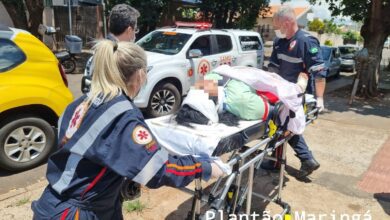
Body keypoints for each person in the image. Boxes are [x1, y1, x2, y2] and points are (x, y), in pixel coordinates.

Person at [31, 40, 224, 219]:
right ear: (140, 74)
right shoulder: (123, 115)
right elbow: (158, 170)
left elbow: (87, 156)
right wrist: (204, 167)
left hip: (55, 203)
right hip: (77, 213)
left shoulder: (80, 104)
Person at [267, 5, 325, 177]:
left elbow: (319, 73)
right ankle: (288, 160)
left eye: (277, 26)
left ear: (287, 22)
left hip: (298, 95)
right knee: (281, 125)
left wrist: (320, 99)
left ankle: (304, 159)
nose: (276, 30)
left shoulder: (306, 42)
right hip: (281, 93)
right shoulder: (279, 42)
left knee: (286, 126)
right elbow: (273, 68)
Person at [82, 3, 139, 93]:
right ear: (129, 30)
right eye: (135, 29)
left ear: (109, 24)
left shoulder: (96, 55)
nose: (135, 34)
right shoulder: (126, 61)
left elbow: (86, 89)